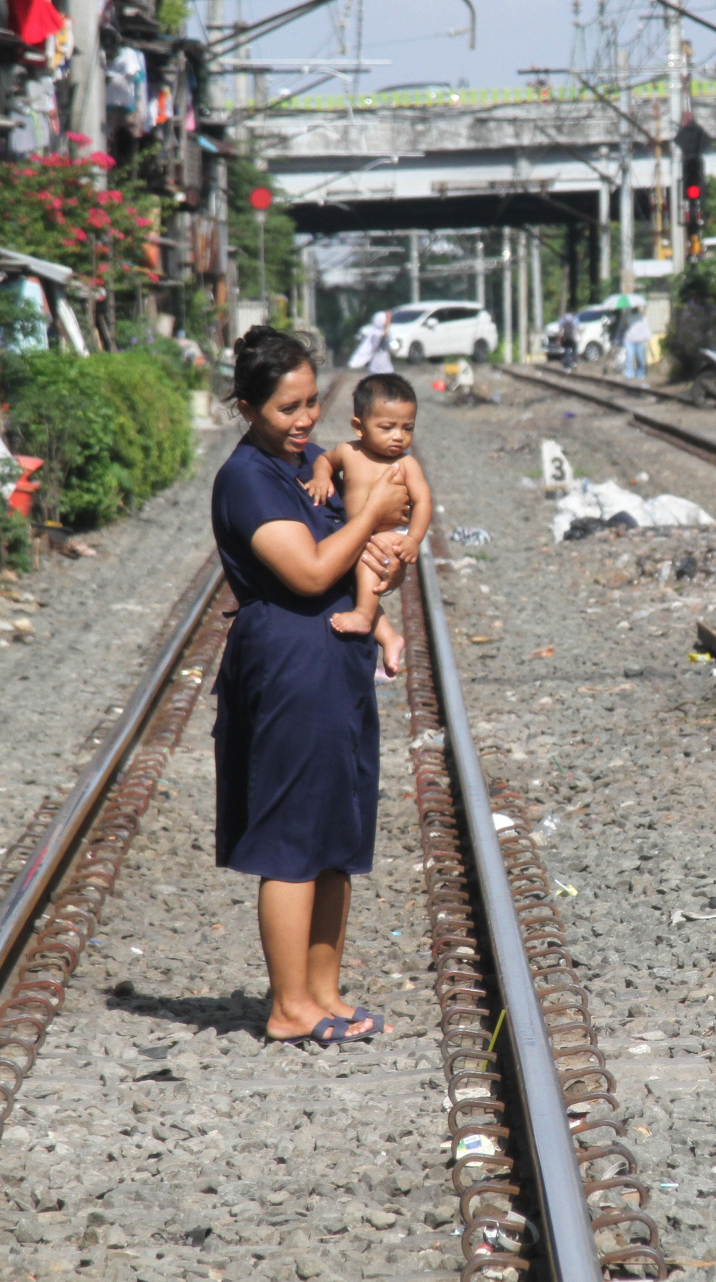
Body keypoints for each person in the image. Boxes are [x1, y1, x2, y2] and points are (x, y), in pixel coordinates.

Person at [212, 326, 411, 1047]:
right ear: (246, 407)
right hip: (290, 666)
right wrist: (370, 517)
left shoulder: (303, 468)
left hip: (336, 664)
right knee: (293, 838)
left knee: (335, 834)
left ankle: (323, 991)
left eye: (309, 405)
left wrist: (382, 604)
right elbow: (308, 572)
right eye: (285, 409)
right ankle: (288, 1003)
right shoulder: (247, 478)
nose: (303, 422)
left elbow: (352, 561)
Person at [305, 372, 432, 678]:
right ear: (358, 427)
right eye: (387, 428)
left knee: (367, 565)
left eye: (407, 428)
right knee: (358, 579)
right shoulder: (348, 452)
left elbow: (424, 501)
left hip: (390, 534)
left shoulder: (406, 464)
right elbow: (323, 461)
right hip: (358, 531)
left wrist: (413, 539)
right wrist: (322, 477)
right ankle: (389, 637)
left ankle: (364, 616)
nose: (398, 437)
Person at [348, 310, 395, 375]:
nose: (389, 321)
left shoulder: (382, 333)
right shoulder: (375, 334)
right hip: (377, 368)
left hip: (385, 367)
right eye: (386, 319)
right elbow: (378, 341)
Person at [621, 305, 652, 382]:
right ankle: (629, 374)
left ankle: (640, 374)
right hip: (629, 340)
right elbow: (624, 325)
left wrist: (648, 337)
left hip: (640, 340)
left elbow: (645, 327)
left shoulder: (641, 317)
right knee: (629, 357)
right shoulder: (627, 315)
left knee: (640, 358)